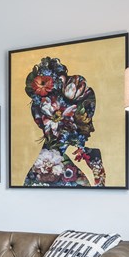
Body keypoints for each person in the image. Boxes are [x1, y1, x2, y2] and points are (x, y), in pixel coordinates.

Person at [23, 57, 105, 187]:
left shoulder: (42, 167)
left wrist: (97, 169)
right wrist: (98, 171)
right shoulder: (50, 166)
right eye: (85, 118)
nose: (90, 126)